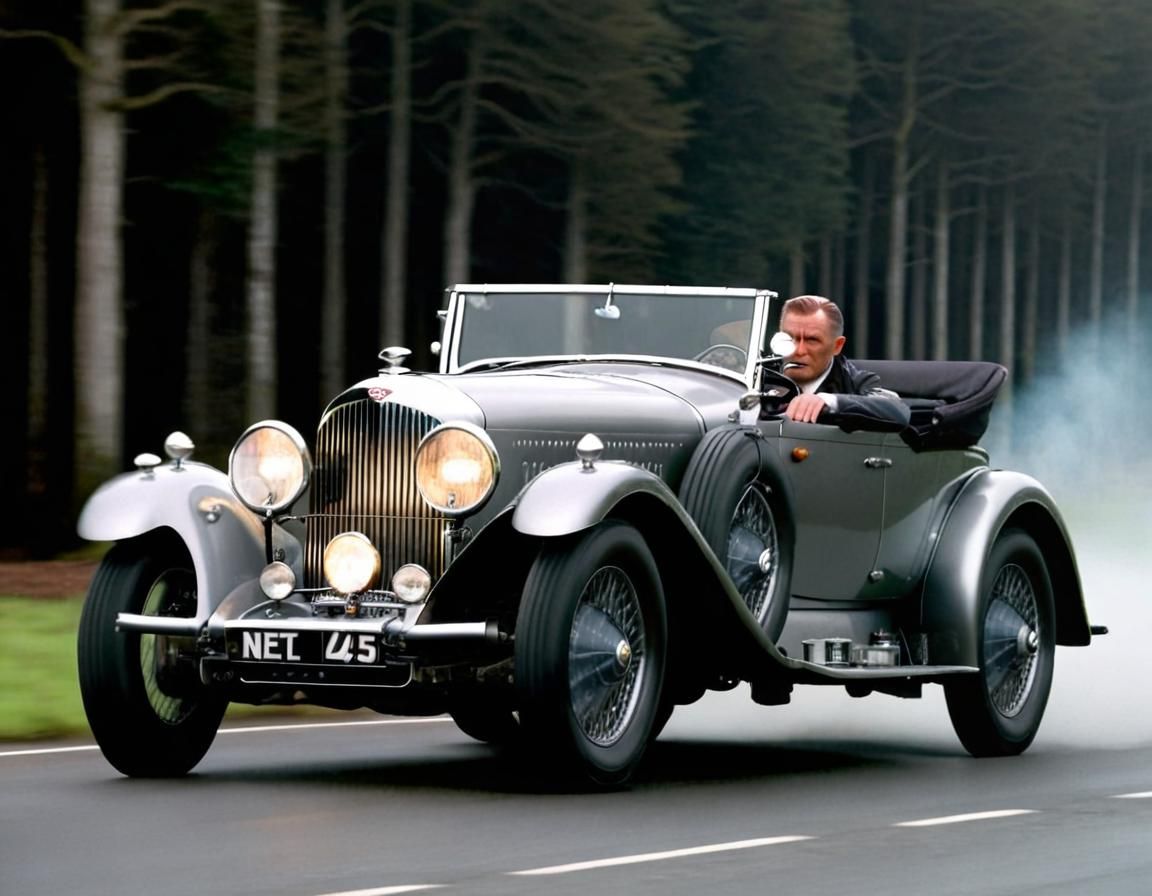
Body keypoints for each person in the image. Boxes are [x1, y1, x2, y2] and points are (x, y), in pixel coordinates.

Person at [775, 295, 909, 431]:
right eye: (788, 338)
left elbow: (898, 411)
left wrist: (830, 401)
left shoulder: (855, 381)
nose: (798, 350)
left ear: (837, 346)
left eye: (812, 340)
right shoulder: (759, 375)